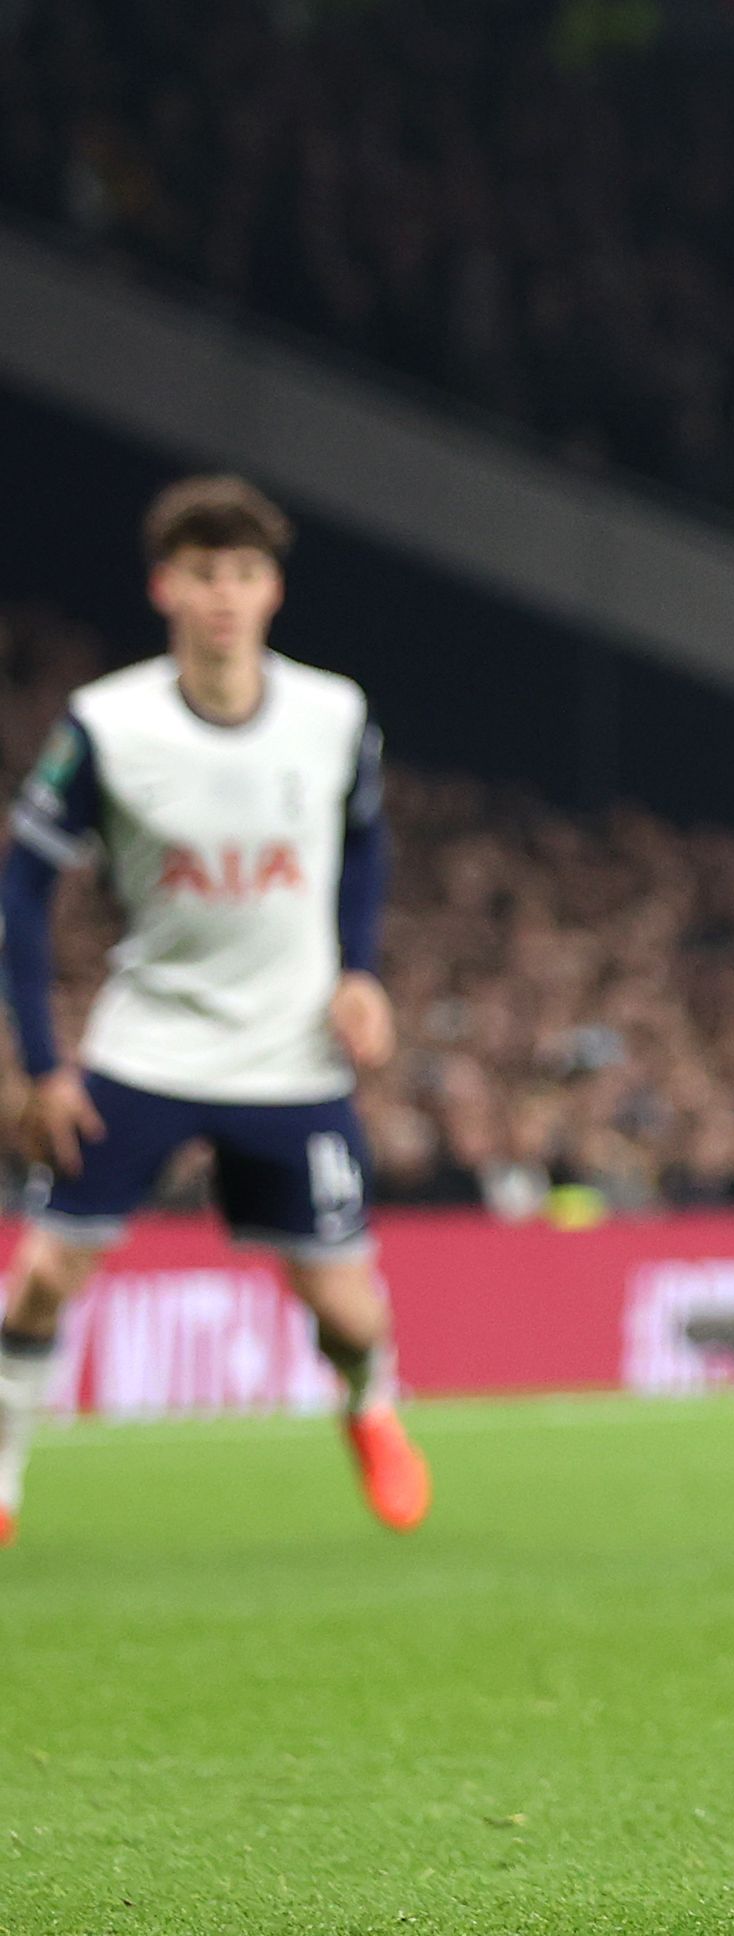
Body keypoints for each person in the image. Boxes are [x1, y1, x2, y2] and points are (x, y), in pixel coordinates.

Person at [0, 475, 427, 1546]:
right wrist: (43, 1061)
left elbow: (367, 838)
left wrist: (359, 968)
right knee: (45, 1275)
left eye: (243, 573)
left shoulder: (333, 714)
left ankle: (371, 1400)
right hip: (150, 1040)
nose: (224, 595)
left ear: (273, 589)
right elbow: (21, 886)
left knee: (346, 1309)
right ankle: (2, 1472)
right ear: (166, 588)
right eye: (202, 574)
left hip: (290, 1054)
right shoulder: (108, 724)